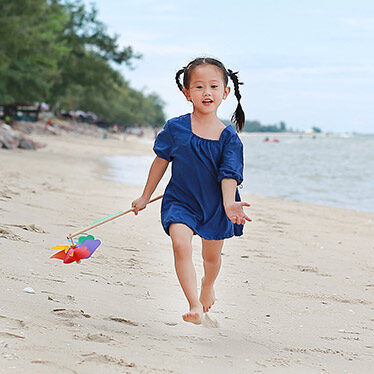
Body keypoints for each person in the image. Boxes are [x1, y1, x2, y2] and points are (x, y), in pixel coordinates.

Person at [131, 57, 251, 325]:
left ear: (225, 92)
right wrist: (145, 196)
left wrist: (230, 204)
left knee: (211, 258)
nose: (206, 92)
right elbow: (161, 161)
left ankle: (208, 285)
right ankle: (194, 304)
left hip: (216, 205)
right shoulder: (176, 128)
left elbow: (229, 174)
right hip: (180, 201)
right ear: (186, 93)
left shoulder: (229, 138)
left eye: (213, 86)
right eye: (198, 87)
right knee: (180, 245)